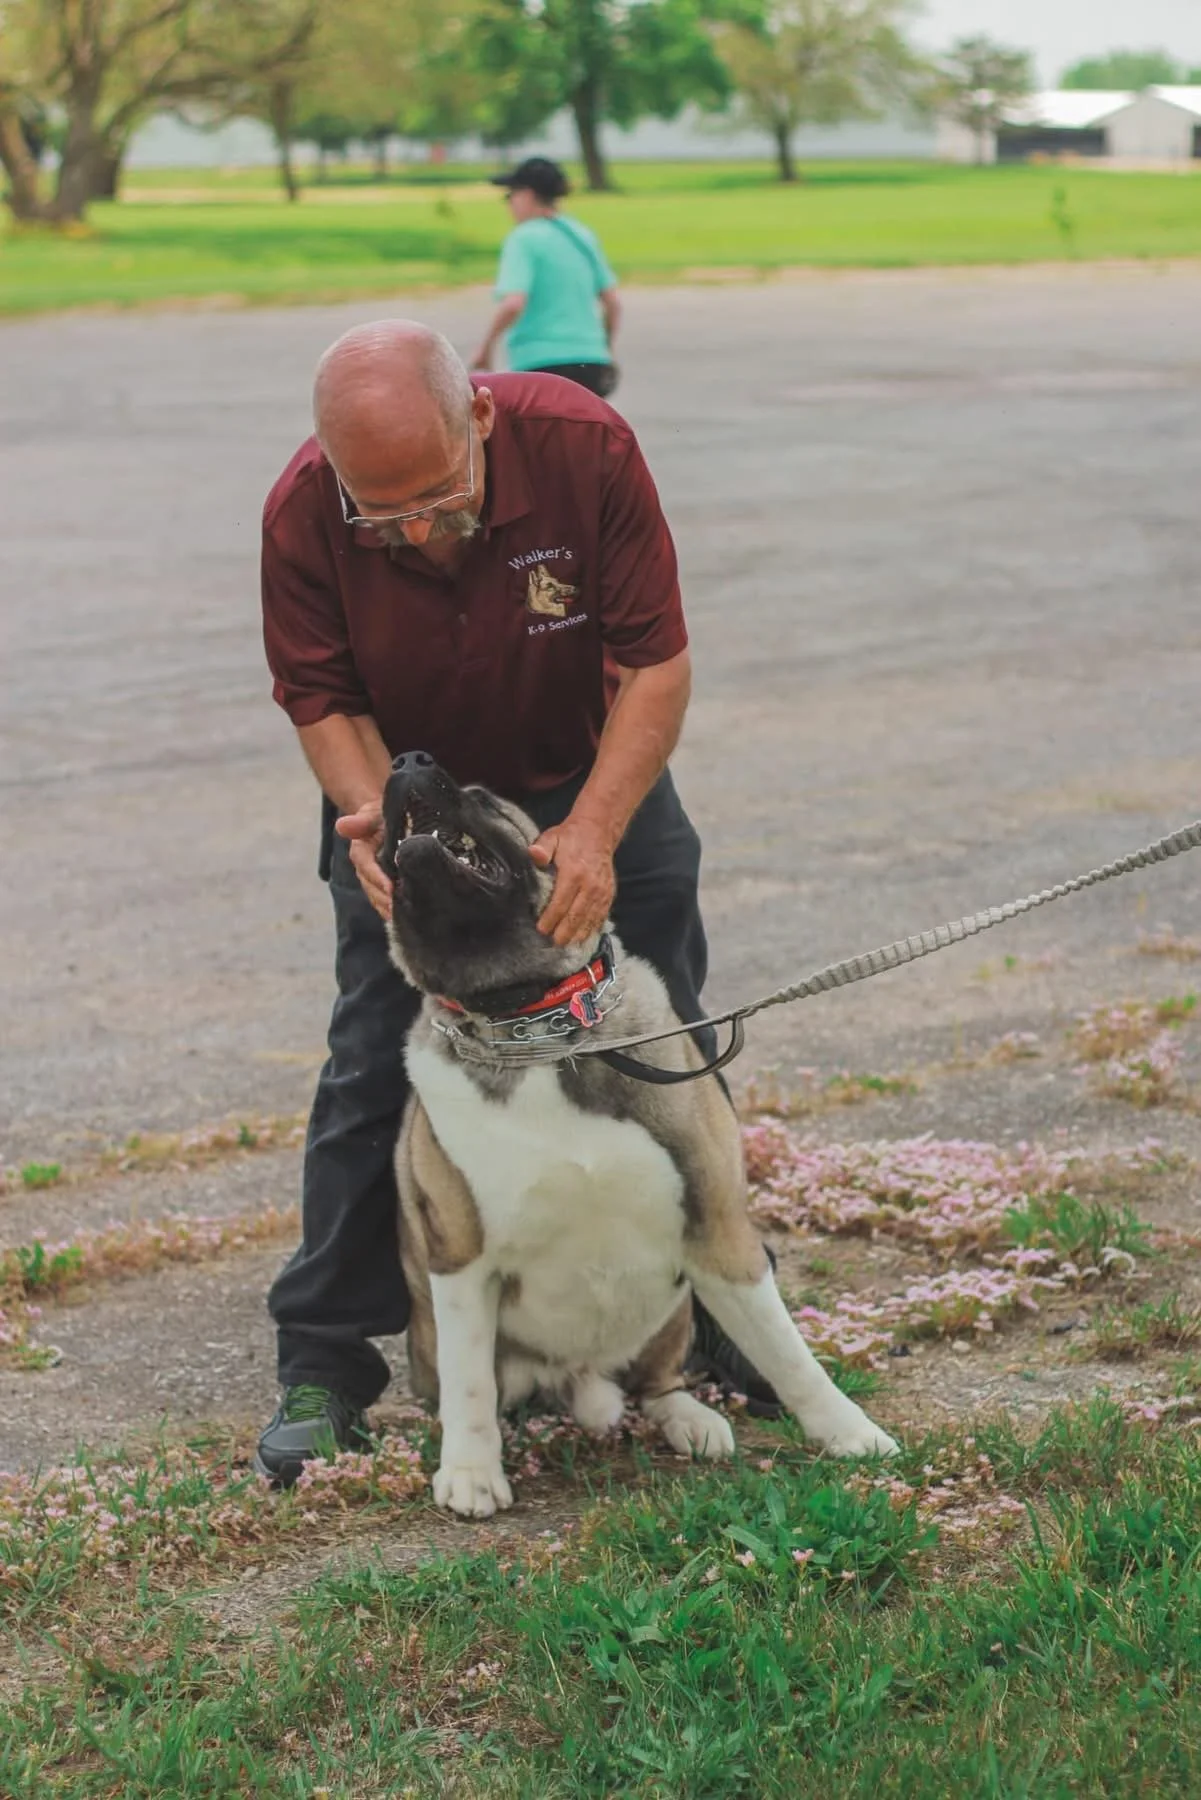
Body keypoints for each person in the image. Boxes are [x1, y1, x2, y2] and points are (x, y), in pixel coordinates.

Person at [255, 319, 774, 1486]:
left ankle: (727, 1320)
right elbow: (321, 696)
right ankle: (326, 1360)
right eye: (378, 515)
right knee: (369, 1057)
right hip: (415, 801)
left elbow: (655, 660)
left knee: (663, 1037)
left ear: (478, 419)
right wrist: (373, 820)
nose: (415, 533)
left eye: (435, 501)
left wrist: (593, 828)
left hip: (589, 771)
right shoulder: (302, 511)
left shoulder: (584, 448)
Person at [470, 156, 620, 397]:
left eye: (510, 196)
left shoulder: (524, 238)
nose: (509, 204)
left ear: (527, 195)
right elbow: (612, 301)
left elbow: (513, 303)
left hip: (540, 364)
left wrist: (485, 348)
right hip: (592, 363)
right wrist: (604, 348)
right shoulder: (581, 235)